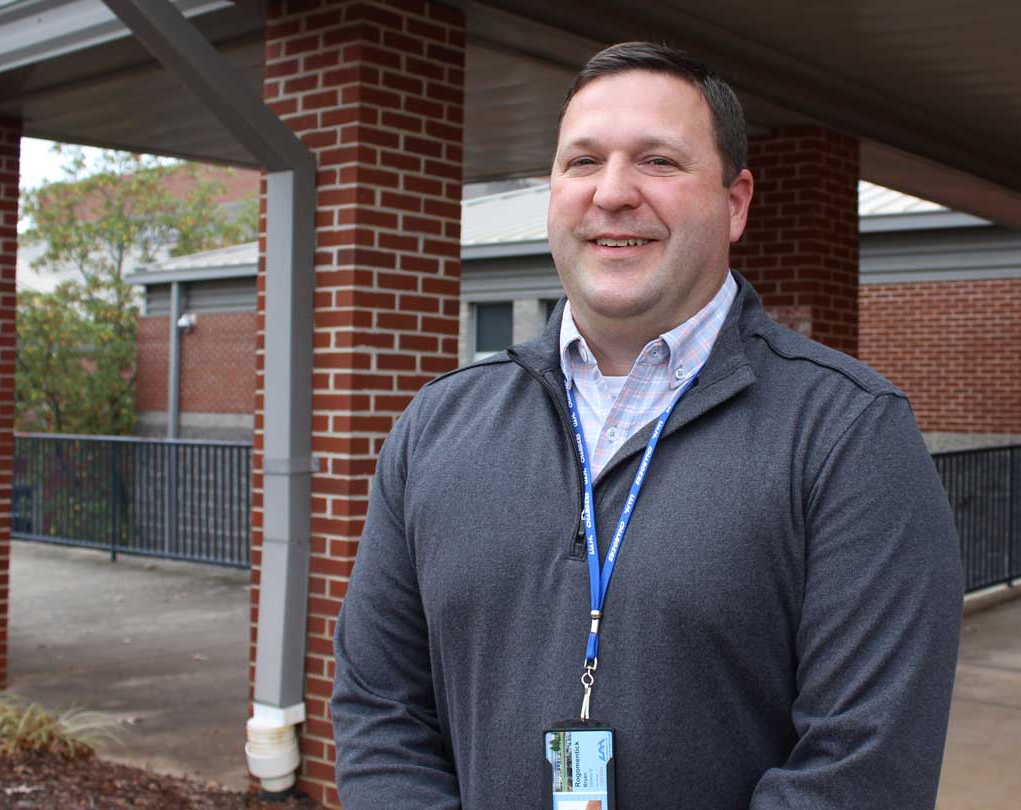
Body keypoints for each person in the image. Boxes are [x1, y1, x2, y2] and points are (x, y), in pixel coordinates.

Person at [332, 42, 963, 809]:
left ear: (735, 203)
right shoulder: (438, 423)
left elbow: (863, 772)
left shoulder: (849, 435)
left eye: (658, 161)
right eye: (583, 162)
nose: (612, 193)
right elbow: (380, 712)